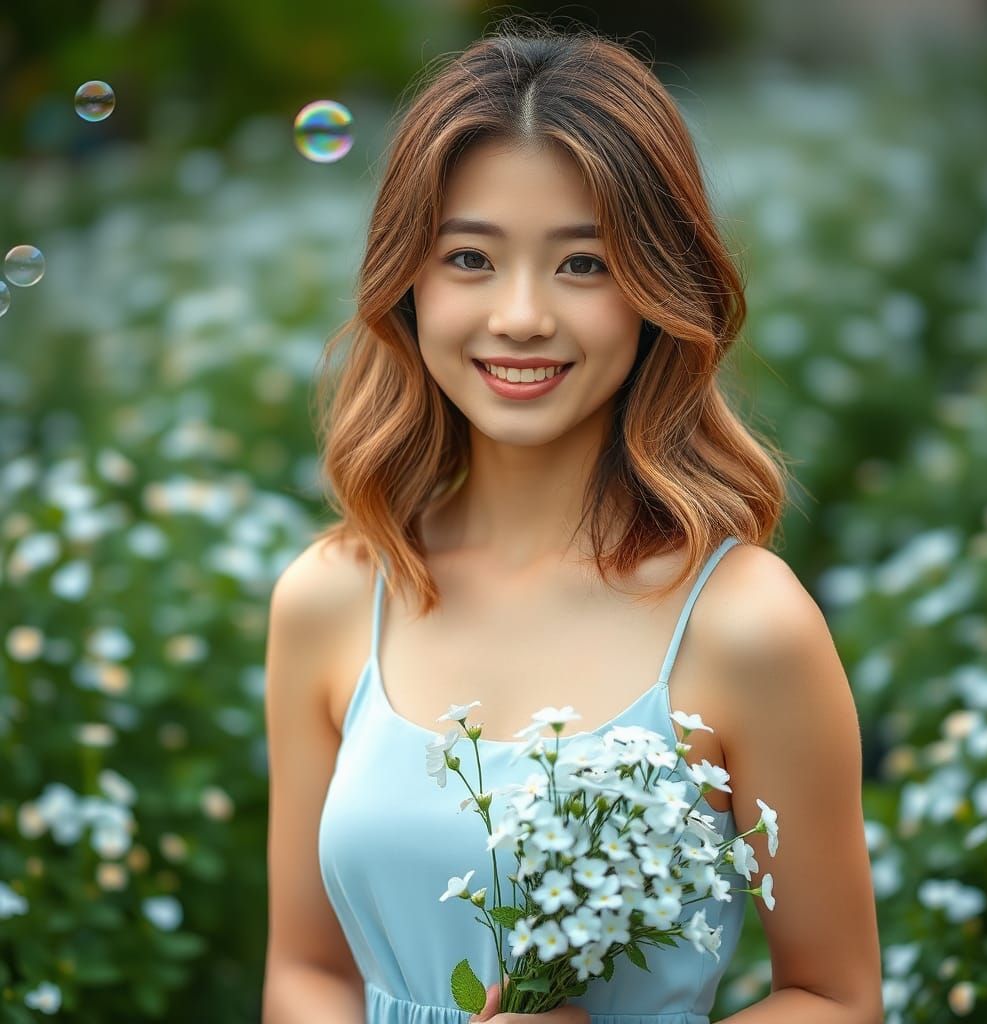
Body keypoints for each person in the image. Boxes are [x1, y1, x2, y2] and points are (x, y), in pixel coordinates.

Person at [262, 16, 883, 1024]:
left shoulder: (746, 623)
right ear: (405, 285)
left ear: (658, 291)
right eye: (468, 258)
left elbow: (836, 996)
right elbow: (305, 971)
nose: (519, 314)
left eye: (582, 265)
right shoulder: (329, 595)